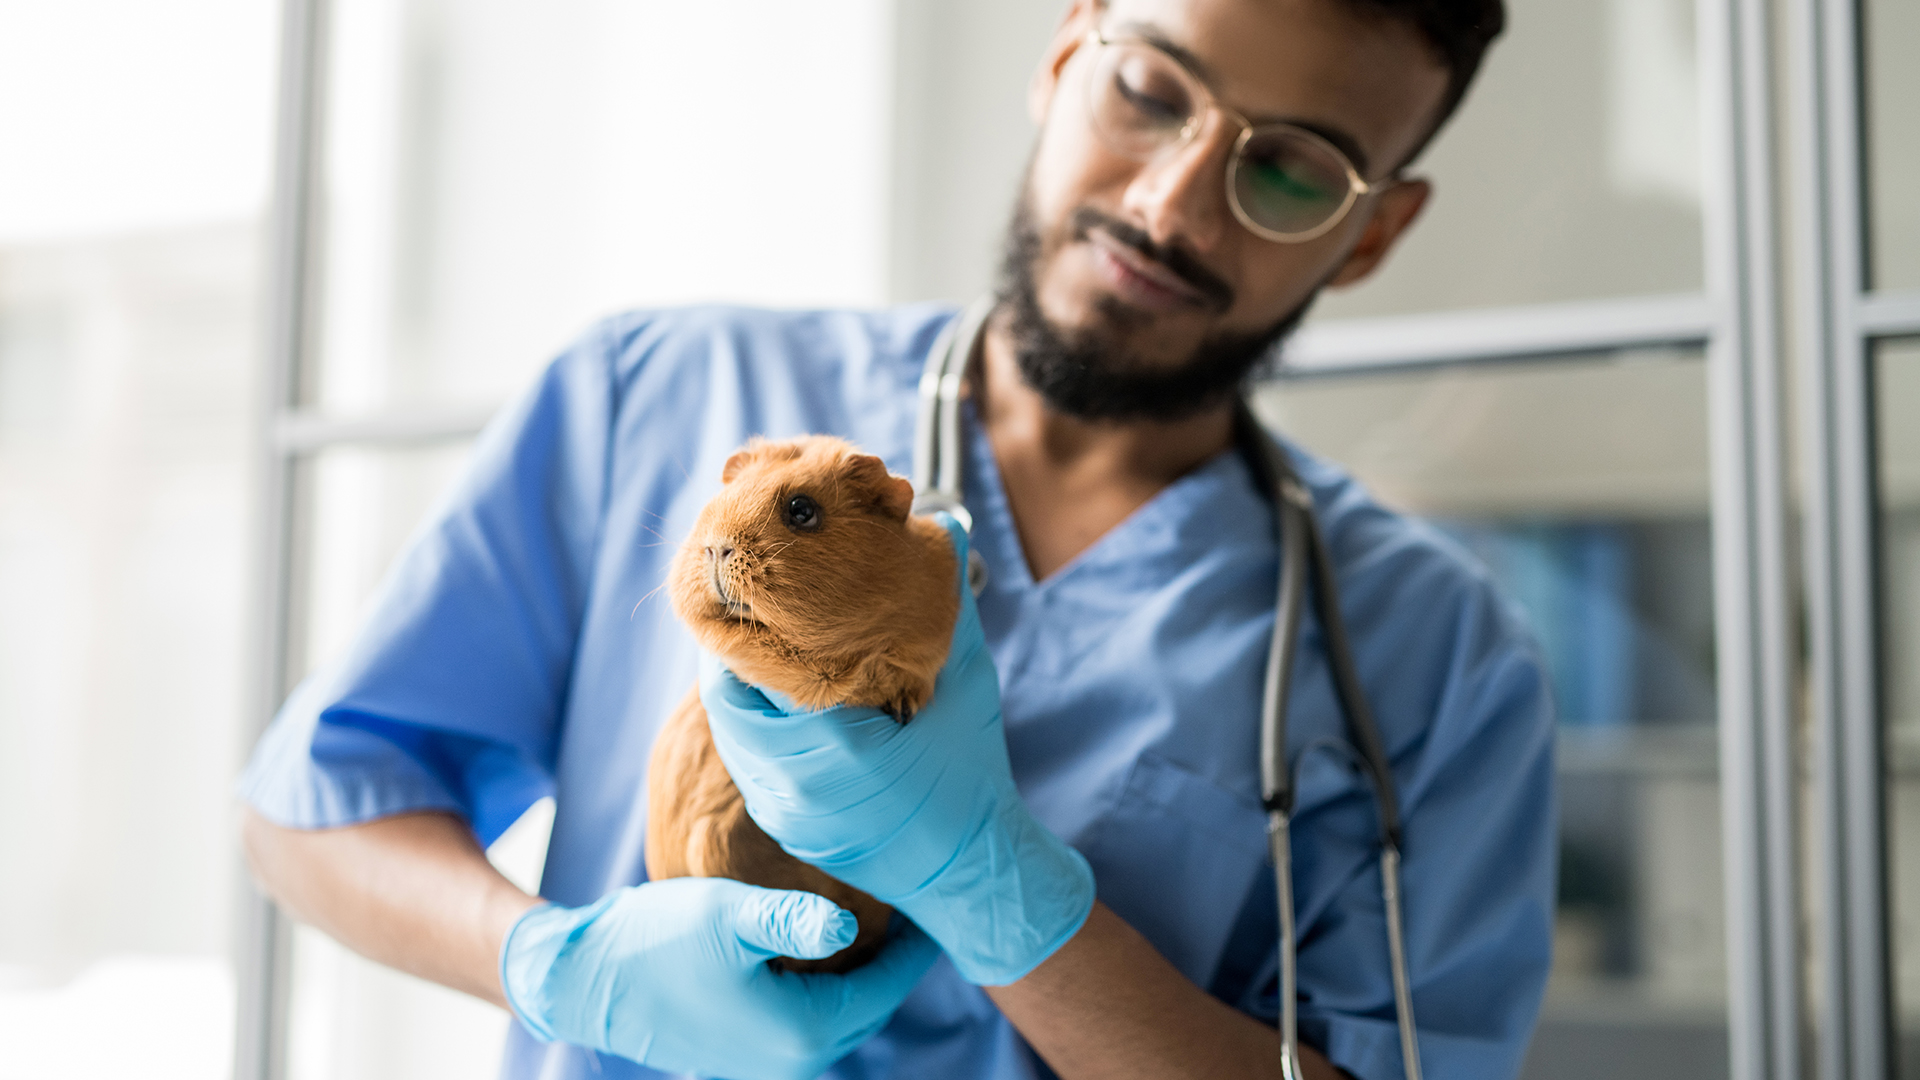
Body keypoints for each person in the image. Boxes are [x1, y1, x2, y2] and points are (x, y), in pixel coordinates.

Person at [239, 0, 1556, 1076]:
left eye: (1289, 170)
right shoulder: (657, 391)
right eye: (1153, 90)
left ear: (1374, 231)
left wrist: (1000, 896)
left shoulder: (1435, 655)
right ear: (1066, 54)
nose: (1171, 207)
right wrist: (556, 968)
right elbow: (310, 815)